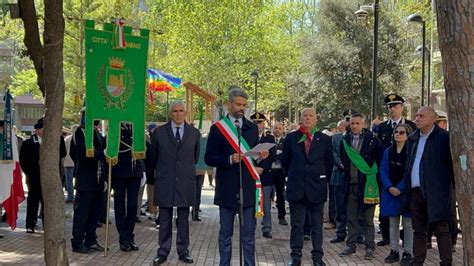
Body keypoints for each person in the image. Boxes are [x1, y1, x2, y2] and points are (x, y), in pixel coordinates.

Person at [204, 87, 268, 266]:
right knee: (225, 234)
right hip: (226, 189)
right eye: (238, 104)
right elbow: (209, 157)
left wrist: (260, 157)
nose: (241, 108)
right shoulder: (218, 129)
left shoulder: (251, 128)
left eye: (244, 105)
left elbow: (253, 156)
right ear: (229, 104)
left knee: (248, 235)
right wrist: (229, 159)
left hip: (247, 188)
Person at [399, 107, 454, 265]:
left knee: (441, 230)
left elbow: (451, 165)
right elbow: (409, 165)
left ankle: (446, 262)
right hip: (416, 192)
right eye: (416, 115)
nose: (417, 118)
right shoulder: (413, 138)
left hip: (436, 192)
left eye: (421, 116)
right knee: (419, 230)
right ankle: (418, 261)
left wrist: (448, 190)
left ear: (432, 119)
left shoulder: (444, 138)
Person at [282, 108, 334, 266]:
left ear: (316, 119)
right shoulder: (291, 138)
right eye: (305, 115)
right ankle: (295, 256)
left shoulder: (324, 139)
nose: (308, 118)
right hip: (296, 188)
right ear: (300, 118)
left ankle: (317, 257)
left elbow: (329, 163)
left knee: (317, 225)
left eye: (311, 115)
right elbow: (285, 162)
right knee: (297, 225)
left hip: (316, 188)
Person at [151, 101, 200, 265]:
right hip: (165, 181)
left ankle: (183, 251)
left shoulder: (194, 133)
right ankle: (163, 251)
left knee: (183, 218)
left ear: (185, 112)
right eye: (175, 111)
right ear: (170, 113)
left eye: (181, 111)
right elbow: (153, 157)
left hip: (185, 182)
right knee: (164, 218)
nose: (178, 114)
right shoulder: (159, 133)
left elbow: (195, 156)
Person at [372, 93, 416, 247]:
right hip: (388, 176)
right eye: (389, 106)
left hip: (405, 179)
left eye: (395, 105)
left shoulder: (412, 125)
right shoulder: (382, 127)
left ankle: (407, 245)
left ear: (402, 107)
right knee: (389, 216)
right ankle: (388, 241)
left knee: (408, 219)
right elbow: (378, 152)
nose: (392, 109)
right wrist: (387, 183)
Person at [339, 113, 383, 260]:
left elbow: (380, 160)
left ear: (363, 124)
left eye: (357, 123)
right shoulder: (345, 140)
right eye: (352, 123)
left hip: (367, 185)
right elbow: (344, 161)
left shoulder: (372, 140)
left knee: (368, 219)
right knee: (351, 217)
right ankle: (350, 245)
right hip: (350, 184)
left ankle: (369, 246)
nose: (355, 126)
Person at [19, 117, 66, 233]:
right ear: (38, 130)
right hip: (34, 177)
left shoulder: (56, 139)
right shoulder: (28, 142)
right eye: (43, 129)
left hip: (50, 177)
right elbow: (23, 160)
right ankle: (30, 225)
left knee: (48, 202)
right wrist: (29, 173)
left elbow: (63, 153)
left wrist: (58, 139)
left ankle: (47, 225)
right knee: (33, 202)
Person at [70, 118, 106, 254]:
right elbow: (80, 153)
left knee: (94, 213)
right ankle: (77, 242)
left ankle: (90, 239)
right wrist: (101, 154)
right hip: (85, 179)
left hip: (97, 179)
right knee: (82, 213)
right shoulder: (80, 132)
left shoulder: (95, 132)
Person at [379, 124, 414, 264]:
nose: (398, 134)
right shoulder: (388, 151)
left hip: (405, 193)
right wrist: (389, 187)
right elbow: (382, 170)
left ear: (408, 135)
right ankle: (394, 251)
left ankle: (408, 252)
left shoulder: (411, 151)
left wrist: (399, 187)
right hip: (390, 193)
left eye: (402, 132)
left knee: (408, 224)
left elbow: (410, 172)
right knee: (392, 223)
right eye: (396, 132)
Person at [111, 123, 144, 252]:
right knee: (119, 206)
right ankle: (123, 238)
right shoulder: (115, 127)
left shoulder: (137, 127)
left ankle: (130, 236)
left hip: (134, 172)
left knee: (132, 206)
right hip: (119, 171)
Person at [251, 112, 275, 239]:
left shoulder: (269, 138)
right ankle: (251, 227)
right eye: (255, 122)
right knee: (251, 203)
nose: (257, 125)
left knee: (265, 204)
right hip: (250, 173)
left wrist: (262, 167)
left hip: (265, 176)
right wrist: (253, 167)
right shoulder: (247, 137)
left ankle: (267, 228)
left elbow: (272, 156)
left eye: (259, 122)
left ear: (263, 124)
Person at [329, 119, 348, 244]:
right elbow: (333, 153)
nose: (343, 126)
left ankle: (357, 234)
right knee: (339, 206)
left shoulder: (354, 137)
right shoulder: (335, 138)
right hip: (338, 174)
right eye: (340, 124)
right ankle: (340, 232)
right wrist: (340, 163)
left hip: (351, 175)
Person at [271, 122, 288, 226]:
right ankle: (265, 215)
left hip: (280, 171)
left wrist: (278, 157)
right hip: (270, 170)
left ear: (283, 130)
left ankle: (281, 216)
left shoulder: (285, 142)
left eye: (279, 128)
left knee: (280, 194)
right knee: (268, 194)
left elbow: (285, 155)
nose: (277, 130)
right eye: (276, 128)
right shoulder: (269, 141)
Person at [64, 127, 76, 203]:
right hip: (78, 162)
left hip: (68, 162)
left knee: (69, 180)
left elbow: (64, 150)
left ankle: (70, 196)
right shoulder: (82, 138)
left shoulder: (67, 138)